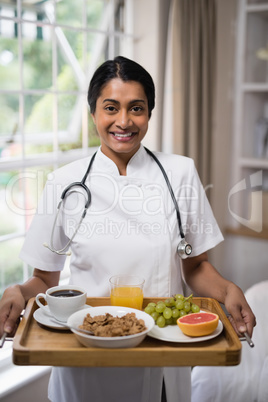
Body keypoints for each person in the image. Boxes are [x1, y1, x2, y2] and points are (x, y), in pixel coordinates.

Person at [0, 56, 255, 402]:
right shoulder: (65, 182)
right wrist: (18, 291)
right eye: (111, 108)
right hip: (86, 358)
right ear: (93, 114)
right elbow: (45, 281)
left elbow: (195, 266)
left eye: (136, 108)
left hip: (160, 355)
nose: (124, 121)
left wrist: (227, 291)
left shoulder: (180, 173)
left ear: (149, 113)